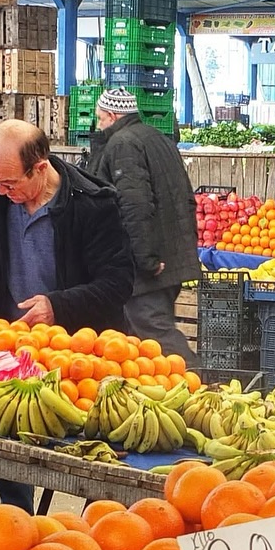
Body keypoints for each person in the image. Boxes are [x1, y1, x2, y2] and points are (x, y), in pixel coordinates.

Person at [0, 119, 136, 512]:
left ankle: (97, 527)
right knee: (6, 442)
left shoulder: (93, 204)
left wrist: (58, 305)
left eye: (10, 184)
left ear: (40, 168)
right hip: (11, 346)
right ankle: (16, 519)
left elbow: (118, 282)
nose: (2, 193)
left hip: (77, 354)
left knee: (88, 451)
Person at [85, 88, 200, 362]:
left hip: (148, 265)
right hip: (170, 255)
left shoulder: (122, 144)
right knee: (138, 341)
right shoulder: (156, 137)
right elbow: (185, 197)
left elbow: (134, 205)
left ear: (112, 116)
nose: (99, 126)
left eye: (100, 119)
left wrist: (146, 259)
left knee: (156, 337)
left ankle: (203, 387)